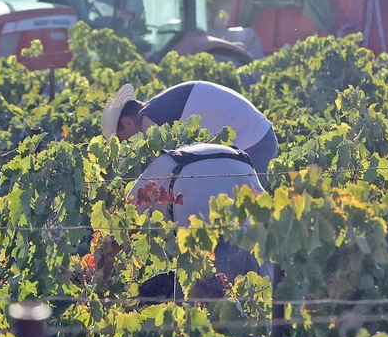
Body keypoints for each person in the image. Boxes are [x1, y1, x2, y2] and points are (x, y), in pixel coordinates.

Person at [128, 143, 270, 286]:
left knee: (201, 286)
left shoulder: (160, 168)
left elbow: (124, 224)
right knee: (263, 281)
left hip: (202, 207)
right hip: (246, 183)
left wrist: (105, 275)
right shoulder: (184, 158)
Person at [101, 80, 277, 187]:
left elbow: (162, 172)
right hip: (260, 137)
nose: (132, 147)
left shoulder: (149, 121)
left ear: (127, 122)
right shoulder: (160, 107)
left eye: (125, 141)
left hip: (254, 143)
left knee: (240, 223)